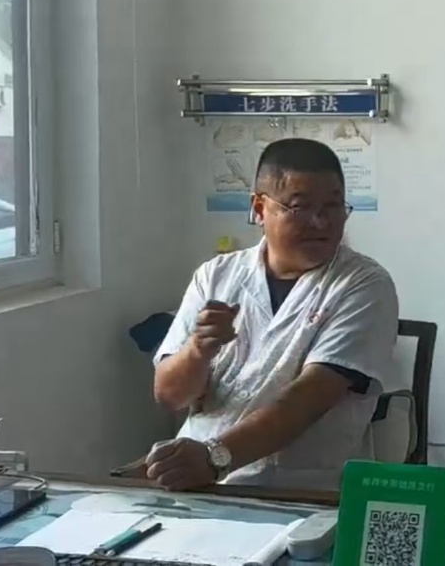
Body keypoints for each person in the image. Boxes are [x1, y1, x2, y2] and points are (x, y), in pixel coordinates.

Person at [148, 138, 398, 492]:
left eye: (333, 205)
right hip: (197, 479)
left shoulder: (364, 284)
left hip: (299, 491)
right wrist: (197, 351)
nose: (320, 222)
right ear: (259, 207)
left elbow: (307, 399)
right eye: (300, 207)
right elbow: (170, 396)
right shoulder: (216, 275)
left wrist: (215, 458)